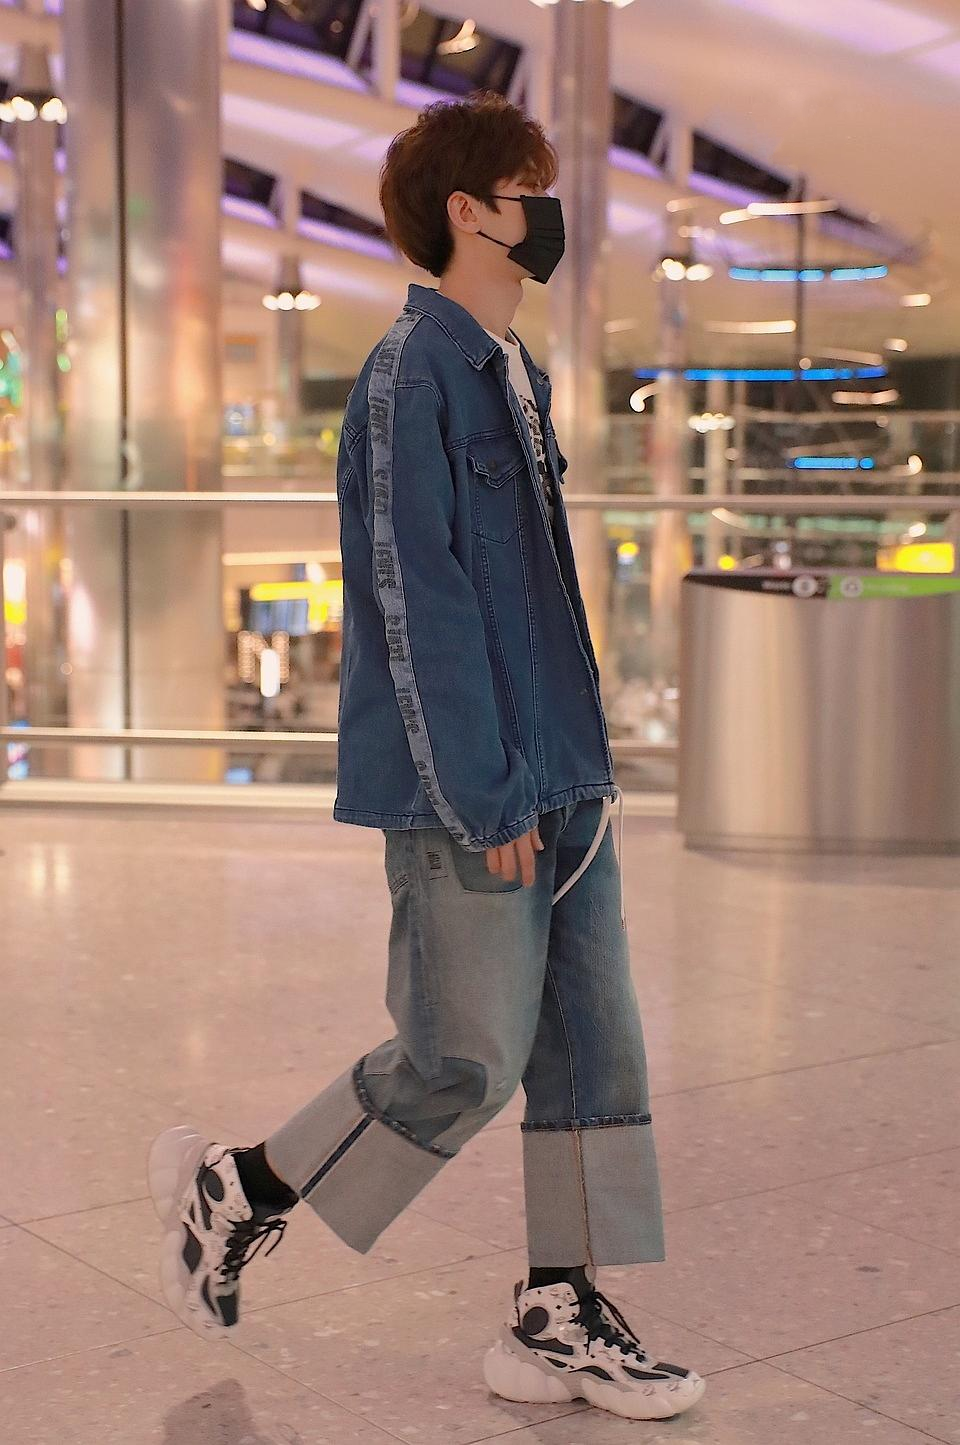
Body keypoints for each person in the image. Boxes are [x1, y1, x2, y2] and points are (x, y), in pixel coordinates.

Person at [148, 92, 704, 1424]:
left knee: (595, 1050)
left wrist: (571, 766)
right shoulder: (411, 377)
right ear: (470, 211)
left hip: (566, 770)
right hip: (480, 785)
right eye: (528, 190)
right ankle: (238, 1188)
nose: (549, 215)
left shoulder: (512, 369)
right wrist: (484, 789)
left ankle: (557, 1313)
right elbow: (420, 602)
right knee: (465, 1056)